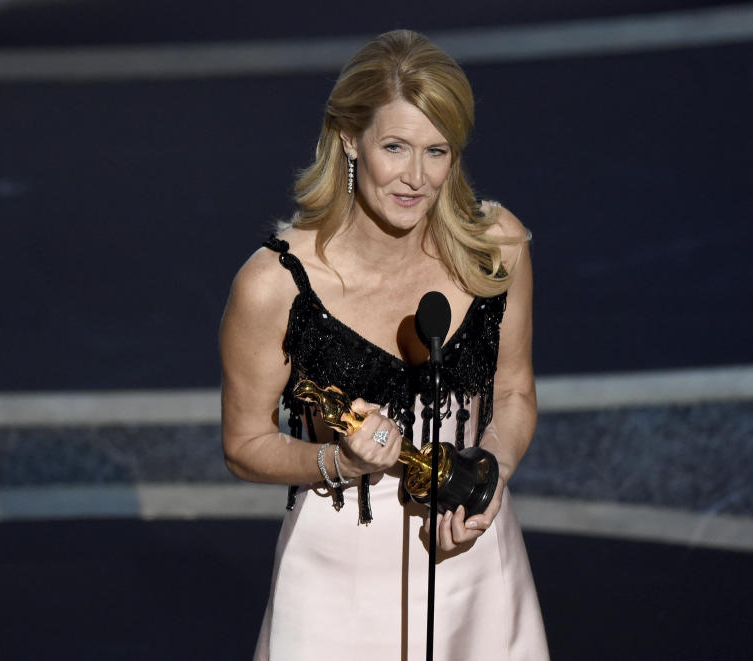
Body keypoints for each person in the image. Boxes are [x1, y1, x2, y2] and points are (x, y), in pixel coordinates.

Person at [219, 29, 549, 660]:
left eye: (436, 150)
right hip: (335, 579)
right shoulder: (273, 285)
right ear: (349, 138)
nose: (415, 178)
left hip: (473, 557)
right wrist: (340, 463)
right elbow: (244, 445)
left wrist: (483, 487)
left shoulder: (495, 246)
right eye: (395, 146)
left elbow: (512, 391)